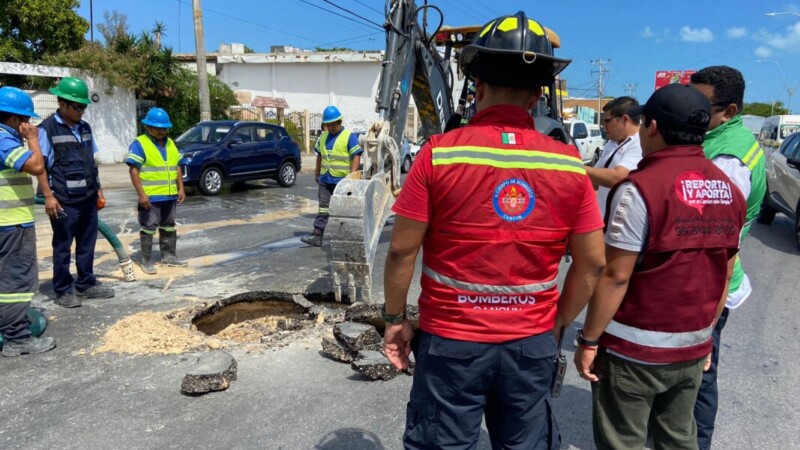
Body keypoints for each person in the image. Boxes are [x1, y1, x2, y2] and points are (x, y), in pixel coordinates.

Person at [383, 12, 606, 449]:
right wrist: (556, 323)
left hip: (451, 341)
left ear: (477, 86)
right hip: (531, 342)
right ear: (538, 94)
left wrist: (394, 320)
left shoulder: (439, 155)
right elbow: (594, 262)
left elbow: (401, 252)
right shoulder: (568, 164)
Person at [574, 83, 747, 450]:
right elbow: (726, 274)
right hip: (694, 347)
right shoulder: (729, 189)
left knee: (623, 440)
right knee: (678, 438)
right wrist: (706, 340)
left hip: (634, 351)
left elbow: (615, 276)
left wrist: (589, 340)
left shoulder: (641, 188)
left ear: (651, 127)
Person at [689, 65, 767, 450]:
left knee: (701, 373)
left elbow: (714, 238)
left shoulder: (728, 158)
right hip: (709, 281)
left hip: (710, 285)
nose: (692, 112)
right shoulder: (720, 140)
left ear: (730, 111)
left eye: (700, 106)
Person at [37, 77, 114, 308]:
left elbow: (91, 161)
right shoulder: (47, 129)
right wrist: (48, 197)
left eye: (84, 106)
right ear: (62, 104)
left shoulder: (85, 128)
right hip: (64, 200)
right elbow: (40, 167)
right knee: (62, 245)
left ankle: (86, 284)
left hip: (88, 198)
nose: (82, 110)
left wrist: (98, 190)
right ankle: (62, 290)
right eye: (77, 106)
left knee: (87, 243)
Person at [0, 86, 56, 356]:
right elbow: (36, 166)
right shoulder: (3, 139)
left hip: (9, 223)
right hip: (11, 224)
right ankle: (17, 338)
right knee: (16, 283)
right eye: (26, 120)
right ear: (14, 120)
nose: (29, 125)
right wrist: (33, 140)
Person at [126, 107, 187, 274]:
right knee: (148, 226)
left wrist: (181, 188)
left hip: (169, 195)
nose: (162, 131)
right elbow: (133, 170)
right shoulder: (140, 143)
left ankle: (169, 255)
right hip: (151, 196)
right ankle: (146, 260)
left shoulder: (170, 143)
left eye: (164, 128)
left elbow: (177, 167)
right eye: (158, 128)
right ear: (148, 127)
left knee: (168, 225)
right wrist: (141, 195)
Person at [300, 106, 362, 247]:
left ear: (340, 121)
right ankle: (317, 234)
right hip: (325, 179)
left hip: (342, 181)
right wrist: (317, 172)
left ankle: (348, 238)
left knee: (343, 210)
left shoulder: (348, 136)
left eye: (334, 123)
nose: (332, 127)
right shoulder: (323, 137)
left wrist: (352, 176)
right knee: (323, 207)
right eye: (329, 124)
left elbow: (356, 155)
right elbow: (320, 156)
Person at [585, 96, 643, 218]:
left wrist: (577, 167)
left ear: (624, 119)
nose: (604, 127)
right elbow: (595, 179)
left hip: (621, 224)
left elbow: (618, 178)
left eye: (607, 121)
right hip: (602, 218)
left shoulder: (639, 143)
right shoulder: (612, 143)